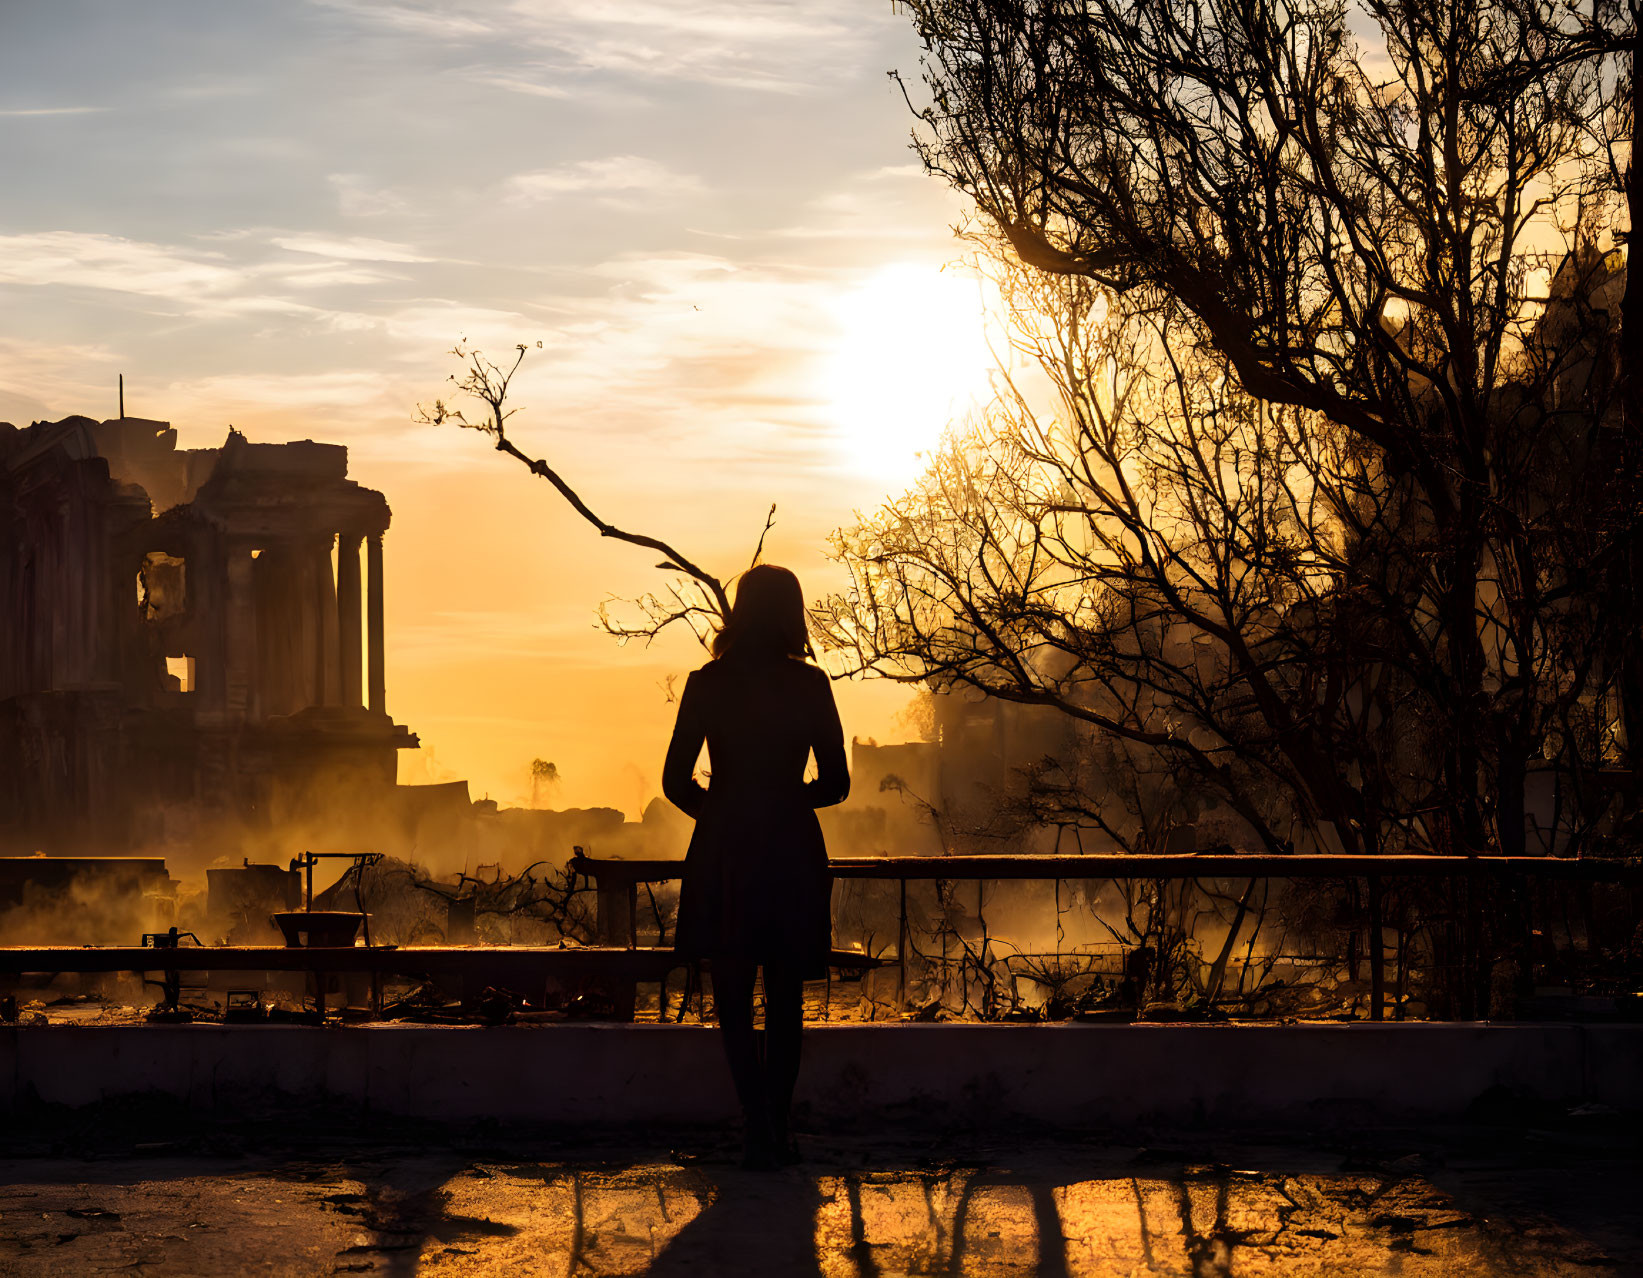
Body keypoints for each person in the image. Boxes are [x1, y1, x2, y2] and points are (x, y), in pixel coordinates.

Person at [662, 564, 849, 1168]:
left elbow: (674, 780)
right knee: (786, 994)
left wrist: (720, 816)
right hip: (791, 849)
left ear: (739, 613)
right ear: (793, 614)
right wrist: (788, 802)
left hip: (726, 852)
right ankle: (779, 1123)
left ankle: (755, 1123)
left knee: (734, 992)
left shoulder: (707, 683)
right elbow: (837, 784)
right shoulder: (811, 685)